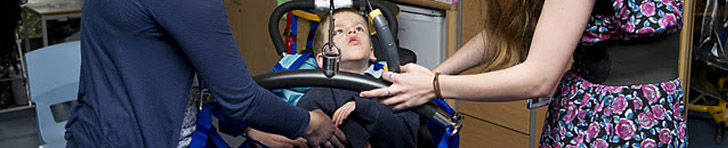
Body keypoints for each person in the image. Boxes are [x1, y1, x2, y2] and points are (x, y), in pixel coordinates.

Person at [361, 0, 687, 147]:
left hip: (609, 121)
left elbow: (538, 77)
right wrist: (428, 77)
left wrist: (434, 85)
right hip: (654, 106)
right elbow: (506, 32)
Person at [64, 0, 345, 147]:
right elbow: (242, 100)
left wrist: (250, 128)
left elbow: (176, 78)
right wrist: (311, 124)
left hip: (100, 131)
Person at [249, 8, 419, 148]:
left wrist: (364, 108)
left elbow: (407, 139)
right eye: (338, 31)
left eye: (359, 28)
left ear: (372, 52)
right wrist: (357, 135)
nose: (352, 31)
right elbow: (308, 122)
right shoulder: (321, 90)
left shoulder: (393, 85)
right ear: (323, 60)